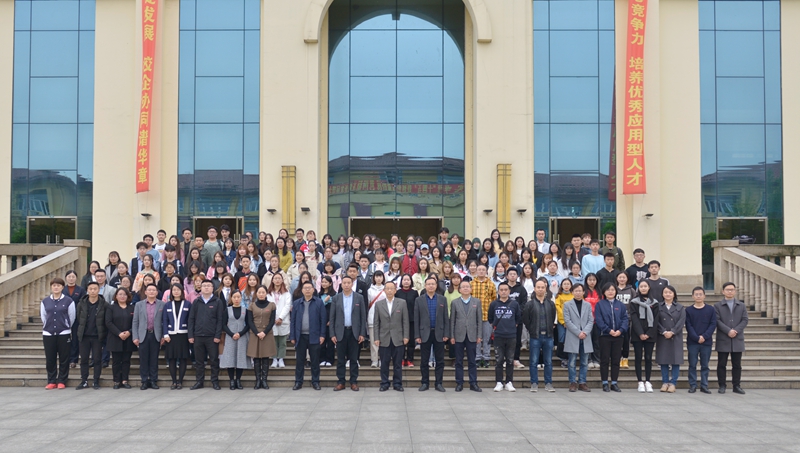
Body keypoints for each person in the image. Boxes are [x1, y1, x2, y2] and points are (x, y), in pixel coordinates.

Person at [330, 275, 368, 391]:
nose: (346, 285)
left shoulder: (359, 297)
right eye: (344, 283)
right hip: (340, 332)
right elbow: (332, 318)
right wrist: (332, 334)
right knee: (340, 359)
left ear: (352, 284)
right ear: (341, 285)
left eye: (348, 283)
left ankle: (353, 381)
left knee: (354, 359)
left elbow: (363, 317)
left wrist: (362, 333)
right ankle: (341, 382)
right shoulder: (336, 298)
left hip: (354, 332)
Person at [188, 280, 226, 390]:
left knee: (214, 360)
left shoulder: (217, 302)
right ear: (200, 288)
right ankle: (199, 381)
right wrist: (191, 335)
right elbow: (191, 319)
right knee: (199, 361)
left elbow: (220, 320)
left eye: (208, 286)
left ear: (212, 288)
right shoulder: (196, 302)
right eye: (204, 286)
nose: (206, 288)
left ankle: (215, 381)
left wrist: (217, 335)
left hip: (212, 336)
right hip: (198, 335)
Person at [414, 277, 450, 392]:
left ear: (436, 285)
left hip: (439, 333)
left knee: (440, 361)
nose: (430, 286)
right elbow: (416, 319)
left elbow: (445, 318)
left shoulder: (442, 299)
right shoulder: (419, 300)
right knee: (424, 361)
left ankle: (438, 383)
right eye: (428, 284)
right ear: (425, 286)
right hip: (424, 333)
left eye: (433, 284)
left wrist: (446, 333)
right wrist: (417, 335)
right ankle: (425, 383)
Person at [290, 281, 327, 390]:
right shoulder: (297, 303)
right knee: (300, 361)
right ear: (302, 290)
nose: (307, 290)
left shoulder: (319, 302)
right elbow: (293, 321)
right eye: (305, 288)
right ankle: (298, 382)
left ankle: (315, 381)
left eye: (309, 288)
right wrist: (292, 336)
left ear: (313, 290)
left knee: (315, 361)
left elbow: (323, 320)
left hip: (314, 335)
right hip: (300, 336)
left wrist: (322, 335)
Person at [374, 281, 409, 392]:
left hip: (398, 338)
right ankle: (384, 383)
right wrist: (376, 337)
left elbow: (405, 321)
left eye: (391, 288)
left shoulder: (402, 303)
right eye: (387, 288)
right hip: (384, 338)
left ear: (395, 290)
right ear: (384, 290)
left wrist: (406, 336)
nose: (389, 290)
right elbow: (376, 323)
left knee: (397, 363)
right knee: (384, 363)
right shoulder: (379, 304)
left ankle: (397, 383)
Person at [522, 279, 557, 393]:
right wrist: (532, 330)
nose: (540, 289)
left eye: (542, 287)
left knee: (548, 362)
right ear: (534, 289)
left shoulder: (550, 304)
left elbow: (552, 318)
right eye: (538, 287)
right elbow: (526, 320)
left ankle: (548, 383)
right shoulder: (530, 304)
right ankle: (534, 383)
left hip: (548, 336)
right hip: (535, 336)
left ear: (546, 289)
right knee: (533, 361)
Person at [594, 283, 628, 392]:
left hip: (618, 336)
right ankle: (605, 382)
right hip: (605, 336)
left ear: (616, 291)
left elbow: (625, 319)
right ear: (604, 292)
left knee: (616, 360)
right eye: (608, 290)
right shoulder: (600, 304)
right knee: (604, 360)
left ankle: (614, 383)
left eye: (612, 290)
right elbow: (599, 320)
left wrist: (620, 330)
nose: (610, 292)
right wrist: (608, 330)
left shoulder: (621, 305)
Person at [715, 282, 748, 394]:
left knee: (737, 365)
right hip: (723, 338)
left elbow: (745, 320)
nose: (730, 291)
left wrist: (736, 330)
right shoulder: (717, 306)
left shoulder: (741, 305)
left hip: (737, 339)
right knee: (721, 364)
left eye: (732, 289)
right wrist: (728, 330)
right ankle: (722, 385)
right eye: (727, 289)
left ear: (735, 291)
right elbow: (717, 320)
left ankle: (736, 385)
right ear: (723, 291)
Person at [450, 281, 483, 392]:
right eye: (463, 287)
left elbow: (479, 320)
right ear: (459, 289)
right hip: (458, 335)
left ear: (471, 289)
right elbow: (452, 321)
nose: (465, 288)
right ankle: (459, 383)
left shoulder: (476, 302)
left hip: (472, 335)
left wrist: (479, 335)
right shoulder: (455, 302)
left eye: (467, 287)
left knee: (472, 361)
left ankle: (473, 383)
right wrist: (452, 336)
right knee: (458, 361)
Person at [489, 282, 521, 392]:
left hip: (511, 335)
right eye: (501, 290)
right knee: (499, 360)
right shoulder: (494, 304)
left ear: (509, 291)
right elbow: (490, 318)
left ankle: (509, 382)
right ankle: (499, 382)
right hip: (498, 335)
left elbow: (518, 318)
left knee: (510, 360)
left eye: (505, 290)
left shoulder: (514, 304)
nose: (503, 292)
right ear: (498, 291)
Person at [75, 282, 108, 390]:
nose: (93, 291)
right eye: (90, 289)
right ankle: (84, 380)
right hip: (84, 335)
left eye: (95, 289)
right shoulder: (81, 303)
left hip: (97, 336)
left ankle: (96, 381)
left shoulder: (104, 304)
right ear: (87, 290)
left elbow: (106, 320)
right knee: (84, 359)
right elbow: (79, 318)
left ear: (99, 290)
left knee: (97, 359)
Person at [132, 284, 165, 390]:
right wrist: (135, 337)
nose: (151, 292)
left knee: (154, 359)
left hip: (156, 335)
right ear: (145, 292)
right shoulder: (139, 305)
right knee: (143, 359)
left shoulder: (162, 304)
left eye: (153, 290)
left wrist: (163, 336)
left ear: (157, 292)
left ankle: (153, 380)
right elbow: (135, 322)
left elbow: (164, 322)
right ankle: (144, 380)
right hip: (143, 335)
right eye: (149, 290)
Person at [628, 280, 659, 393]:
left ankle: (648, 381)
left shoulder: (654, 303)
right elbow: (634, 318)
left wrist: (649, 333)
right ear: (638, 288)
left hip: (650, 334)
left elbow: (656, 319)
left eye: (645, 286)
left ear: (649, 287)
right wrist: (641, 333)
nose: (643, 288)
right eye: (641, 286)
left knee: (648, 358)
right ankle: (640, 381)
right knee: (638, 357)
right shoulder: (634, 302)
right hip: (637, 334)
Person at [686, 287, 717, 394]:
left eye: (700, 294)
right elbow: (688, 326)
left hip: (706, 342)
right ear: (692, 296)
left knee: (705, 365)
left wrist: (704, 336)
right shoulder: (688, 310)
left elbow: (713, 324)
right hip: (692, 342)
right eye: (696, 294)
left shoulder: (710, 309)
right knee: (692, 364)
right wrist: (696, 337)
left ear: (704, 296)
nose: (698, 296)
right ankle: (693, 385)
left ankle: (704, 385)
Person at [563, 283, 593, 392]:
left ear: (583, 292)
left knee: (584, 362)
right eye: (576, 291)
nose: (578, 293)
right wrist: (578, 332)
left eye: (580, 291)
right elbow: (567, 321)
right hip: (573, 336)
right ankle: (572, 382)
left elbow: (590, 320)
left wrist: (585, 332)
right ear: (572, 292)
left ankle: (582, 382)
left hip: (585, 336)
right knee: (572, 362)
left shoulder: (587, 305)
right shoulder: (567, 305)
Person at [162, 283, 191, 389]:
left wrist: (190, 335)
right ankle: (174, 381)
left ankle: (180, 381)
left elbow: (190, 321)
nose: (176, 291)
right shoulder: (167, 305)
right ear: (171, 292)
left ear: (182, 291)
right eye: (174, 290)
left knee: (183, 359)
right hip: (171, 336)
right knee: (172, 359)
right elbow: (164, 320)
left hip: (183, 335)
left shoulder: (188, 304)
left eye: (178, 289)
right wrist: (165, 334)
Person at [656, 285, 685, 393]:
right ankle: (665, 382)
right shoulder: (658, 306)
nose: (668, 294)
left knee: (675, 361)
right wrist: (663, 331)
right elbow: (656, 321)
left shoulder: (680, 307)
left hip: (675, 336)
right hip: (662, 336)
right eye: (665, 292)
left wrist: (672, 331)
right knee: (663, 360)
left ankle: (673, 383)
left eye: (670, 292)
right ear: (662, 294)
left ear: (674, 294)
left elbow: (681, 321)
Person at [246, 286, 276, 389]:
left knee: (266, 357)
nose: (261, 294)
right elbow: (250, 321)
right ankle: (258, 380)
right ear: (256, 293)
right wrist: (257, 332)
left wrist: (264, 332)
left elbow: (272, 321)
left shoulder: (271, 305)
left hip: (267, 333)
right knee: (256, 358)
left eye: (263, 292)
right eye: (259, 292)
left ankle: (264, 380)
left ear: (266, 293)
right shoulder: (252, 306)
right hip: (255, 334)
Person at [105, 288, 135, 389]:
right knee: (116, 361)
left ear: (128, 296)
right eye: (120, 294)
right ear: (116, 296)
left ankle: (125, 380)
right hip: (115, 337)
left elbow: (135, 322)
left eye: (124, 294)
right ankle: (117, 381)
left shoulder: (132, 308)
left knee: (126, 360)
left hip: (128, 337)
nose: (122, 296)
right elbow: (108, 322)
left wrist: (129, 332)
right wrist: (119, 333)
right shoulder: (111, 307)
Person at [470, 264, 497, 368]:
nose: (481, 271)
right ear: (476, 271)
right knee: (476, 338)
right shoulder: (471, 283)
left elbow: (494, 300)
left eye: (483, 270)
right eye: (479, 269)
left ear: (486, 272)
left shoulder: (491, 284)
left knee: (486, 338)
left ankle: (486, 358)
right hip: (474, 316)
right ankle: (477, 357)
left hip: (487, 316)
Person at [505, 268, 528, 369]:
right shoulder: (503, 287)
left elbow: (524, 303)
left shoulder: (521, 289)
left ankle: (516, 359)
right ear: (507, 276)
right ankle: (507, 359)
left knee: (517, 340)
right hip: (505, 318)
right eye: (510, 274)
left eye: (514, 274)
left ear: (517, 276)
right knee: (506, 340)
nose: (512, 276)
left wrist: (517, 313)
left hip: (518, 318)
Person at [268, 273, 292, 369]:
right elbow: (268, 306)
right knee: (273, 342)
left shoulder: (287, 293)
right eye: (275, 278)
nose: (277, 280)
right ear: (272, 280)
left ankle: (281, 358)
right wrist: (273, 318)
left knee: (282, 342)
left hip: (283, 320)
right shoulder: (268, 293)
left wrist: (280, 318)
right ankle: (274, 359)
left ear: (282, 280)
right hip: (272, 320)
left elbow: (287, 306)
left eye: (279, 278)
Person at [64, 271, 86, 369]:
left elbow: (83, 303)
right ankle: (65, 359)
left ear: (76, 278)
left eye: (73, 276)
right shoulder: (62, 289)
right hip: (64, 317)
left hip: (77, 317)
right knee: (65, 339)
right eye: (69, 276)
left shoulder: (81, 290)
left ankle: (73, 359)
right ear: (66, 278)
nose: (71, 278)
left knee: (75, 339)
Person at [396, 275, 419, 367]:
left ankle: (409, 359)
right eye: (404, 280)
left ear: (411, 281)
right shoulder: (398, 293)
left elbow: (417, 307)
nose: (406, 281)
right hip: (399, 320)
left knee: (411, 341)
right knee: (400, 341)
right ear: (401, 281)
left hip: (411, 319)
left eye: (408, 280)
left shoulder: (414, 293)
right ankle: (401, 359)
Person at [615, 272, 636, 370]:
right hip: (615, 319)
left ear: (627, 278)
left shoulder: (631, 290)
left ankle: (625, 358)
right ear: (617, 278)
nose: (622, 279)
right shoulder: (614, 289)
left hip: (627, 319)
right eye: (620, 277)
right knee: (617, 340)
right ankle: (618, 358)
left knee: (626, 340)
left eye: (624, 277)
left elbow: (634, 304)